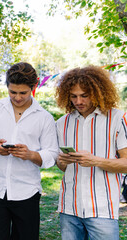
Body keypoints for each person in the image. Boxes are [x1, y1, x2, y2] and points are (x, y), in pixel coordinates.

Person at [0, 62, 59, 240]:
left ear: (33, 88)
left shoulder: (44, 117)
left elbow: (52, 153)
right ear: (7, 87)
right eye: (13, 92)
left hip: (27, 191)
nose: (17, 97)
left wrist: (30, 155)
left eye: (23, 93)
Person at [55, 66, 127, 240]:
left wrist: (95, 160)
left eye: (84, 95)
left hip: (102, 209)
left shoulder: (118, 119)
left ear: (98, 92)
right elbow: (62, 166)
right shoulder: (62, 123)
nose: (78, 101)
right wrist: (62, 161)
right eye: (73, 96)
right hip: (69, 207)